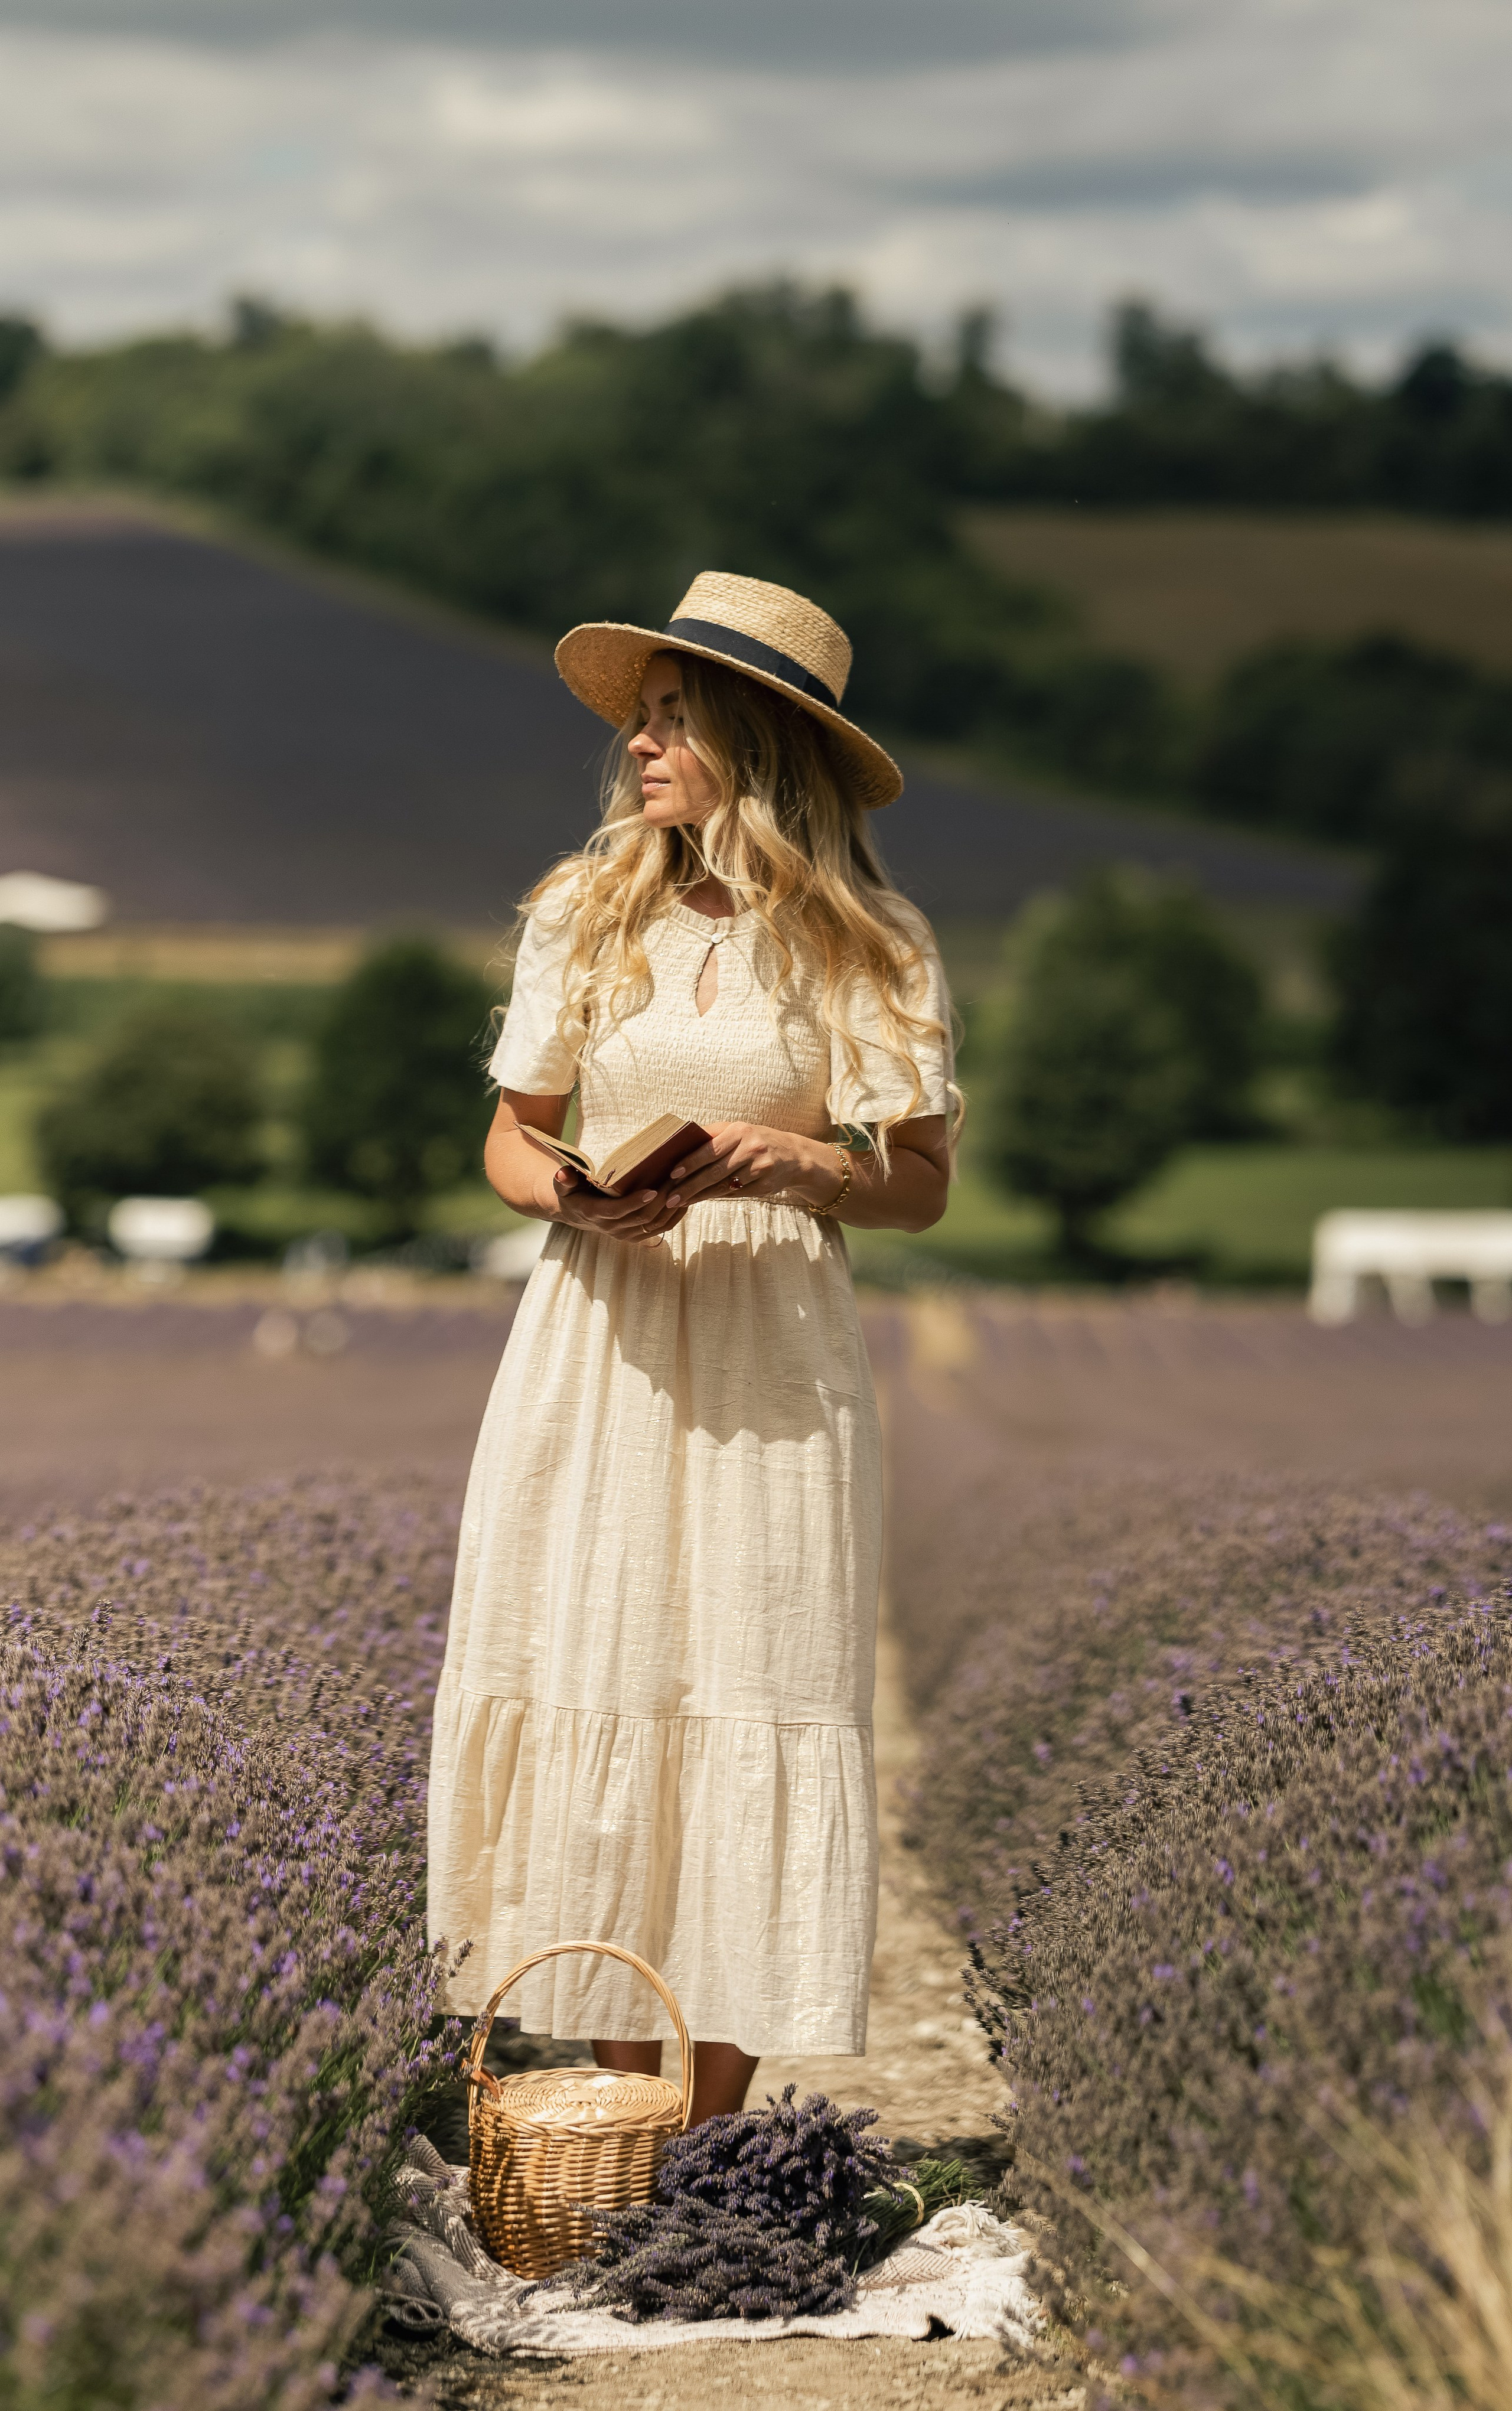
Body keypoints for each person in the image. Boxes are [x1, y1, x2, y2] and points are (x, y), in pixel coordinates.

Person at [428, 571, 957, 2123]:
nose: (641, 749)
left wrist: (800, 1162)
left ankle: (713, 2134)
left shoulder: (870, 942)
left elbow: (918, 1183)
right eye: (643, 721)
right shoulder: (584, 911)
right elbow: (511, 1138)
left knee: (751, 1664)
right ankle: (611, 2116)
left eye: (674, 721)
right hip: (603, 1327)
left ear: (756, 743)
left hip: (775, 1352)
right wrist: (574, 1198)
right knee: (599, 1655)